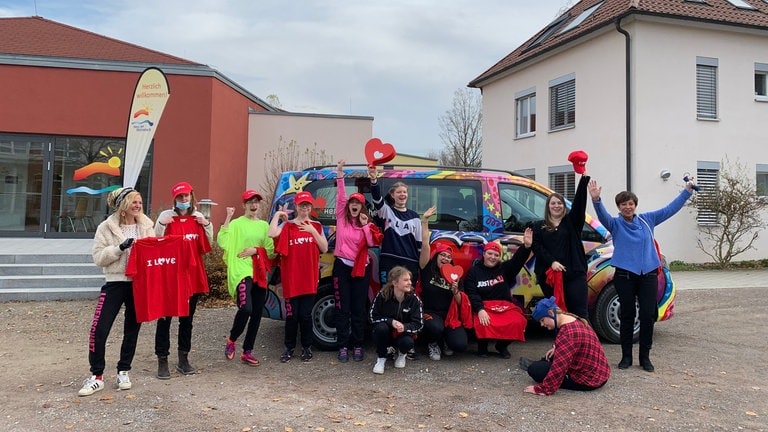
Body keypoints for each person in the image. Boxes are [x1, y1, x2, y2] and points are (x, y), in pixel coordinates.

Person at [589, 177, 696, 372]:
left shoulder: (648, 220)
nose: (627, 207)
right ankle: (626, 356)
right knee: (628, 315)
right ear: (619, 207)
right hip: (624, 276)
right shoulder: (615, 224)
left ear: (635, 205)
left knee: (648, 315)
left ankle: (645, 357)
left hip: (648, 275)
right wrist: (596, 200)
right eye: (623, 204)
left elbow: (670, 209)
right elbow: (602, 216)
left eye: (630, 204)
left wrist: (687, 191)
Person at [77, 187, 155, 396]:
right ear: (123, 206)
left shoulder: (147, 226)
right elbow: (98, 258)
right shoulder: (106, 227)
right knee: (99, 328)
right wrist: (119, 248)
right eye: (134, 202)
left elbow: (155, 253)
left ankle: (124, 370)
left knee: (132, 329)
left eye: (140, 202)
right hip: (115, 282)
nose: (138, 206)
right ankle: (97, 376)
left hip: (138, 284)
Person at [152, 181, 213, 379]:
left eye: (186, 196)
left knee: (187, 318)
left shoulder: (198, 217)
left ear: (191, 196)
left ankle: (183, 358)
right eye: (180, 197)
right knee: (165, 318)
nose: (184, 200)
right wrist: (162, 225)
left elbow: (208, 244)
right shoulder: (165, 216)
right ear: (175, 199)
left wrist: (207, 225)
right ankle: (162, 359)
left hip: (192, 275)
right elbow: (155, 241)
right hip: (170, 275)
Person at [217, 190, 275, 366]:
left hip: (258, 271)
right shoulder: (236, 224)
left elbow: (270, 250)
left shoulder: (264, 226)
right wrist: (227, 217)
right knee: (246, 309)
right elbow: (222, 240)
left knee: (257, 313)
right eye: (250, 202)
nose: (254, 205)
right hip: (241, 270)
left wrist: (256, 250)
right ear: (244, 205)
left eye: (256, 201)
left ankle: (247, 351)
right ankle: (232, 340)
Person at [269, 191, 328, 363]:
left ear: (311, 207)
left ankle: (307, 347)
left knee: (305, 315)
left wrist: (312, 230)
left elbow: (324, 248)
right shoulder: (288, 226)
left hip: (309, 277)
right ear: (296, 206)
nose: (304, 208)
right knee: (292, 316)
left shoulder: (316, 225)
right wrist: (278, 215)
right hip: (292, 278)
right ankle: (289, 348)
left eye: (307, 205)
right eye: (302, 205)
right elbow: (272, 234)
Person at [333, 160, 382, 363]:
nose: (354, 205)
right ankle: (343, 345)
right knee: (342, 308)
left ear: (362, 207)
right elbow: (341, 197)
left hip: (361, 269)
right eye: (352, 202)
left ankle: (358, 344)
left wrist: (364, 225)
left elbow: (371, 242)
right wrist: (340, 173)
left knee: (358, 308)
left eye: (358, 203)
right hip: (342, 267)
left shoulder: (367, 225)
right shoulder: (341, 219)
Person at [464, 228, 533, 359]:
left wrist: (526, 246)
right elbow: (472, 293)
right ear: (484, 254)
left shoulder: (504, 269)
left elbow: (517, 261)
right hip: (484, 307)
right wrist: (479, 309)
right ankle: (482, 347)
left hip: (504, 306)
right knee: (482, 321)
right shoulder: (473, 272)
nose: (493, 257)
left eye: (496, 255)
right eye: (490, 254)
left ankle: (501, 346)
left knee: (519, 321)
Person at [531, 171, 591, 318]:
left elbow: (579, 206)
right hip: (549, 277)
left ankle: (586, 340)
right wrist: (552, 262)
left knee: (580, 313)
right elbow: (537, 247)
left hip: (574, 276)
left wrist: (583, 181)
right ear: (548, 206)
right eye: (553, 203)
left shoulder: (572, 223)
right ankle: (563, 340)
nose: (556, 206)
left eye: (560, 203)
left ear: (564, 206)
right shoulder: (539, 226)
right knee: (558, 314)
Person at [523, 297, 610, 395]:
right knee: (548, 359)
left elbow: (559, 367)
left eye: (542, 320)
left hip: (589, 381)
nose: (542, 324)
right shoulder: (575, 320)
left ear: (551, 313)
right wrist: (556, 347)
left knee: (535, 370)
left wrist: (543, 389)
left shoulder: (568, 333)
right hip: (600, 374)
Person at [418, 205, 469, 361]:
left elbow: (460, 302)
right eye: (442, 255)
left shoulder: (455, 275)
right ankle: (433, 342)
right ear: (436, 256)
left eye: (448, 257)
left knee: (460, 345)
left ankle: (446, 341)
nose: (446, 258)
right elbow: (425, 245)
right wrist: (425, 221)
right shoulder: (427, 269)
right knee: (435, 328)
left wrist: (455, 292)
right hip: (431, 313)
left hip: (449, 315)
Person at [368, 165, 423, 284]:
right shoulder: (387, 211)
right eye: (399, 192)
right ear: (393, 195)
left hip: (410, 262)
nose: (402, 194)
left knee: (406, 296)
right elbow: (377, 200)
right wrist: (373, 180)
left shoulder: (415, 217)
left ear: (407, 195)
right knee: (387, 294)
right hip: (389, 260)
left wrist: (418, 265)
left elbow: (419, 245)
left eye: (404, 192)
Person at [369, 266, 424, 374]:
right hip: (386, 333)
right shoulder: (382, 295)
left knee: (408, 342)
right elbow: (372, 317)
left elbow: (419, 324)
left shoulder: (414, 299)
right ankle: (381, 358)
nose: (409, 283)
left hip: (402, 334)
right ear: (395, 283)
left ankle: (402, 354)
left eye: (410, 280)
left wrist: (405, 327)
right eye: (405, 280)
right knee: (380, 328)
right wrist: (390, 321)